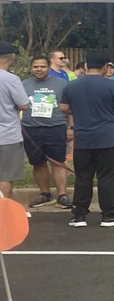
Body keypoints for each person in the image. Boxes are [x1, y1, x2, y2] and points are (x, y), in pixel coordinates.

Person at [60, 51, 114, 227]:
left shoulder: (72, 85)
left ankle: (79, 215)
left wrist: (79, 110)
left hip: (83, 139)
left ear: (86, 66)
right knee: (108, 177)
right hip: (108, 137)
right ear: (105, 67)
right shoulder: (112, 84)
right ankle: (109, 215)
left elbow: (63, 107)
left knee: (83, 177)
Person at [21, 55, 72, 209]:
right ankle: (45, 194)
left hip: (56, 127)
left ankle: (62, 195)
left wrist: (70, 128)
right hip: (31, 129)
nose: (39, 69)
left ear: (49, 67)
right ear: (31, 68)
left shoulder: (62, 84)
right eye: (36, 66)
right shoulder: (24, 85)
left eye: (42, 66)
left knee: (58, 162)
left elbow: (70, 108)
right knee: (38, 163)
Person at [0, 41, 31, 201]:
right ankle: (4, 210)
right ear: (11, 58)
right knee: (5, 176)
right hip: (7, 135)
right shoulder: (11, 79)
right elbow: (24, 105)